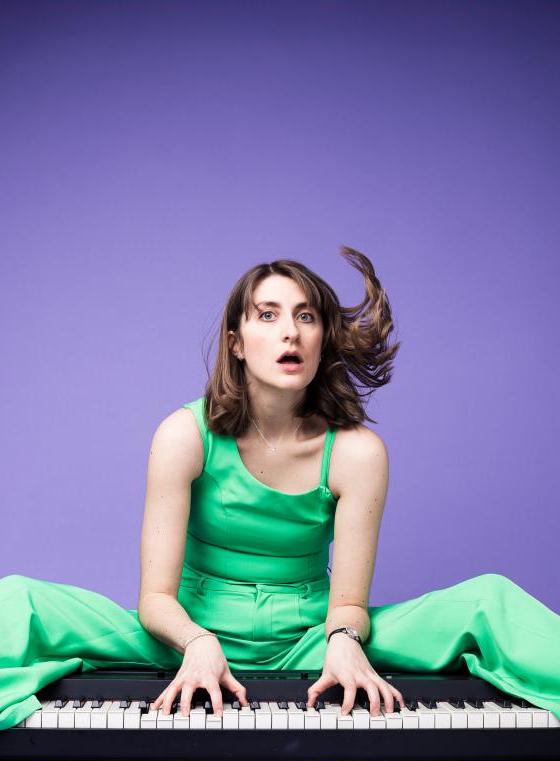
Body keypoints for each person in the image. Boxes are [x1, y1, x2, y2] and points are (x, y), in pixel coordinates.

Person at [1, 246, 559, 731]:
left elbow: (348, 603)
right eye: (266, 316)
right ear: (236, 342)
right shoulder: (182, 435)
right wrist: (196, 643)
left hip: (311, 641)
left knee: (491, 600)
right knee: (19, 600)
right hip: (185, 637)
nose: (289, 331)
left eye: (305, 316)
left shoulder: (359, 452)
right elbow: (154, 600)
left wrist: (343, 641)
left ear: (321, 340)